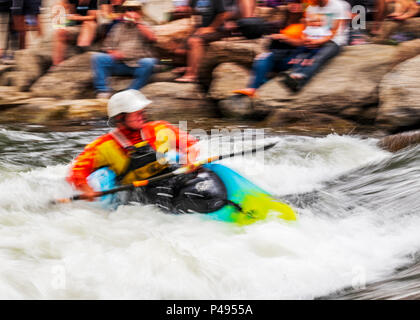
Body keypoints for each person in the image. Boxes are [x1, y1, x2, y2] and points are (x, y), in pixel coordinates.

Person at [67, 89, 228, 214]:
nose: (141, 114)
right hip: (142, 190)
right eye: (135, 111)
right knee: (197, 198)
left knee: (205, 187)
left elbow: (190, 143)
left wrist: (190, 157)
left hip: (171, 175)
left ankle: (219, 202)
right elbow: (77, 171)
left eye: (141, 110)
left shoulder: (158, 128)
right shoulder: (103, 146)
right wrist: (87, 190)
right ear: (120, 117)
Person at [232, 0, 305, 97]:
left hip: (292, 57)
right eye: (291, 3)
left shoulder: (304, 22)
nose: (294, 5)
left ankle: (258, 85)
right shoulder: (285, 22)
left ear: (302, 6)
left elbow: (304, 43)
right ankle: (254, 87)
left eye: (297, 3)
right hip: (279, 54)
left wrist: (286, 38)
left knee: (265, 57)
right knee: (263, 57)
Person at [91, 0, 157, 99]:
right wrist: (113, 53)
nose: (129, 13)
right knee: (97, 58)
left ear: (139, 12)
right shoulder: (117, 27)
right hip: (120, 64)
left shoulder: (145, 25)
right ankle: (103, 91)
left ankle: (130, 92)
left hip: (138, 65)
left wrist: (137, 22)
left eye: (133, 10)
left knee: (149, 62)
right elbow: (107, 47)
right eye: (127, 10)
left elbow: (152, 38)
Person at [285, 0, 350, 91]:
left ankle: (300, 81)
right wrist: (306, 40)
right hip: (314, 38)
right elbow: (306, 30)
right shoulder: (311, 8)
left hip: (334, 41)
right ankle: (294, 75)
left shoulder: (339, 5)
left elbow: (335, 32)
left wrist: (319, 42)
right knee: (302, 54)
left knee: (319, 57)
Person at [174, 0, 237, 83]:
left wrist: (211, 28)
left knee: (194, 41)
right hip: (201, 29)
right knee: (180, 51)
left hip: (218, 30)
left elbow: (224, 14)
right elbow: (193, 12)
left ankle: (192, 74)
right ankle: (189, 66)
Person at [52, 0, 98, 66]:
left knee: (88, 24)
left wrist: (77, 17)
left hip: (88, 23)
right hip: (76, 23)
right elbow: (69, 13)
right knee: (60, 32)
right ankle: (57, 64)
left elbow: (93, 17)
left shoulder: (92, 2)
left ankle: (82, 53)